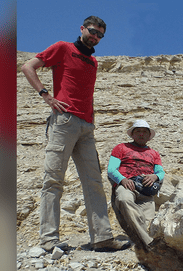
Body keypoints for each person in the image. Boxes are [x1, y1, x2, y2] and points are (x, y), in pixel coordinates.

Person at [21, 16, 130, 251]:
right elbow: (27, 66)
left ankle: (101, 237)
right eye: (92, 32)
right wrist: (46, 95)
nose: (95, 37)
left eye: (100, 35)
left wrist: (91, 121)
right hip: (64, 121)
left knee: (94, 183)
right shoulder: (63, 48)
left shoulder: (93, 62)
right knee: (53, 180)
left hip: (86, 127)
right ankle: (49, 240)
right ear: (82, 28)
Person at [107, 120, 164, 250]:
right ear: (132, 134)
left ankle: (140, 242)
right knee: (123, 199)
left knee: (149, 224)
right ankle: (149, 244)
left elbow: (160, 172)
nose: (141, 134)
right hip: (127, 184)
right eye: (138, 131)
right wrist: (123, 180)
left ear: (149, 136)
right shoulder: (121, 148)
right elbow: (111, 170)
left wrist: (154, 176)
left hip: (146, 188)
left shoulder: (154, 153)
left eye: (145, 132)